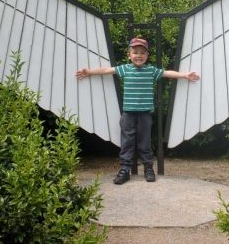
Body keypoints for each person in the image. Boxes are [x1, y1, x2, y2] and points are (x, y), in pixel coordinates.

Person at [76, 37, 200, 184]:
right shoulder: (125, 69)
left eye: (142, 52)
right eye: (135, 52)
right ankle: (125, 170)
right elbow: (107, 70)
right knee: (127, 142)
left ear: (147, 56)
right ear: (129, 55)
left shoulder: (151, 70)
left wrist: (185, 75)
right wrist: (89, 72)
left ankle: (148, 168)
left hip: (145, 114)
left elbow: (167, 73)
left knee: (144, 142)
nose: (139, 55)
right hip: (128, 113)